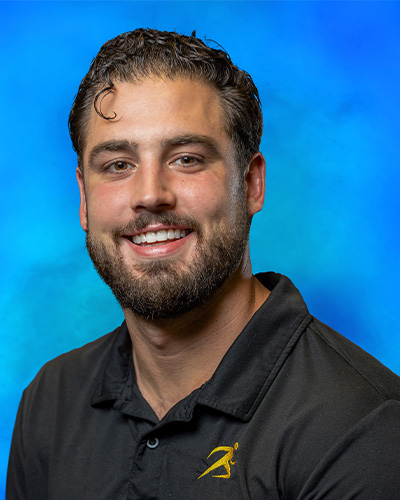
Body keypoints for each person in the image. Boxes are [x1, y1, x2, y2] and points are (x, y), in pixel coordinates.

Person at [6, 28, 400, 500]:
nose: (150, 194)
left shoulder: (362, 427)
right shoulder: (50, 402)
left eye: (187, 159)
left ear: (251, 185)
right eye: (118, 165)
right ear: (84, 199)